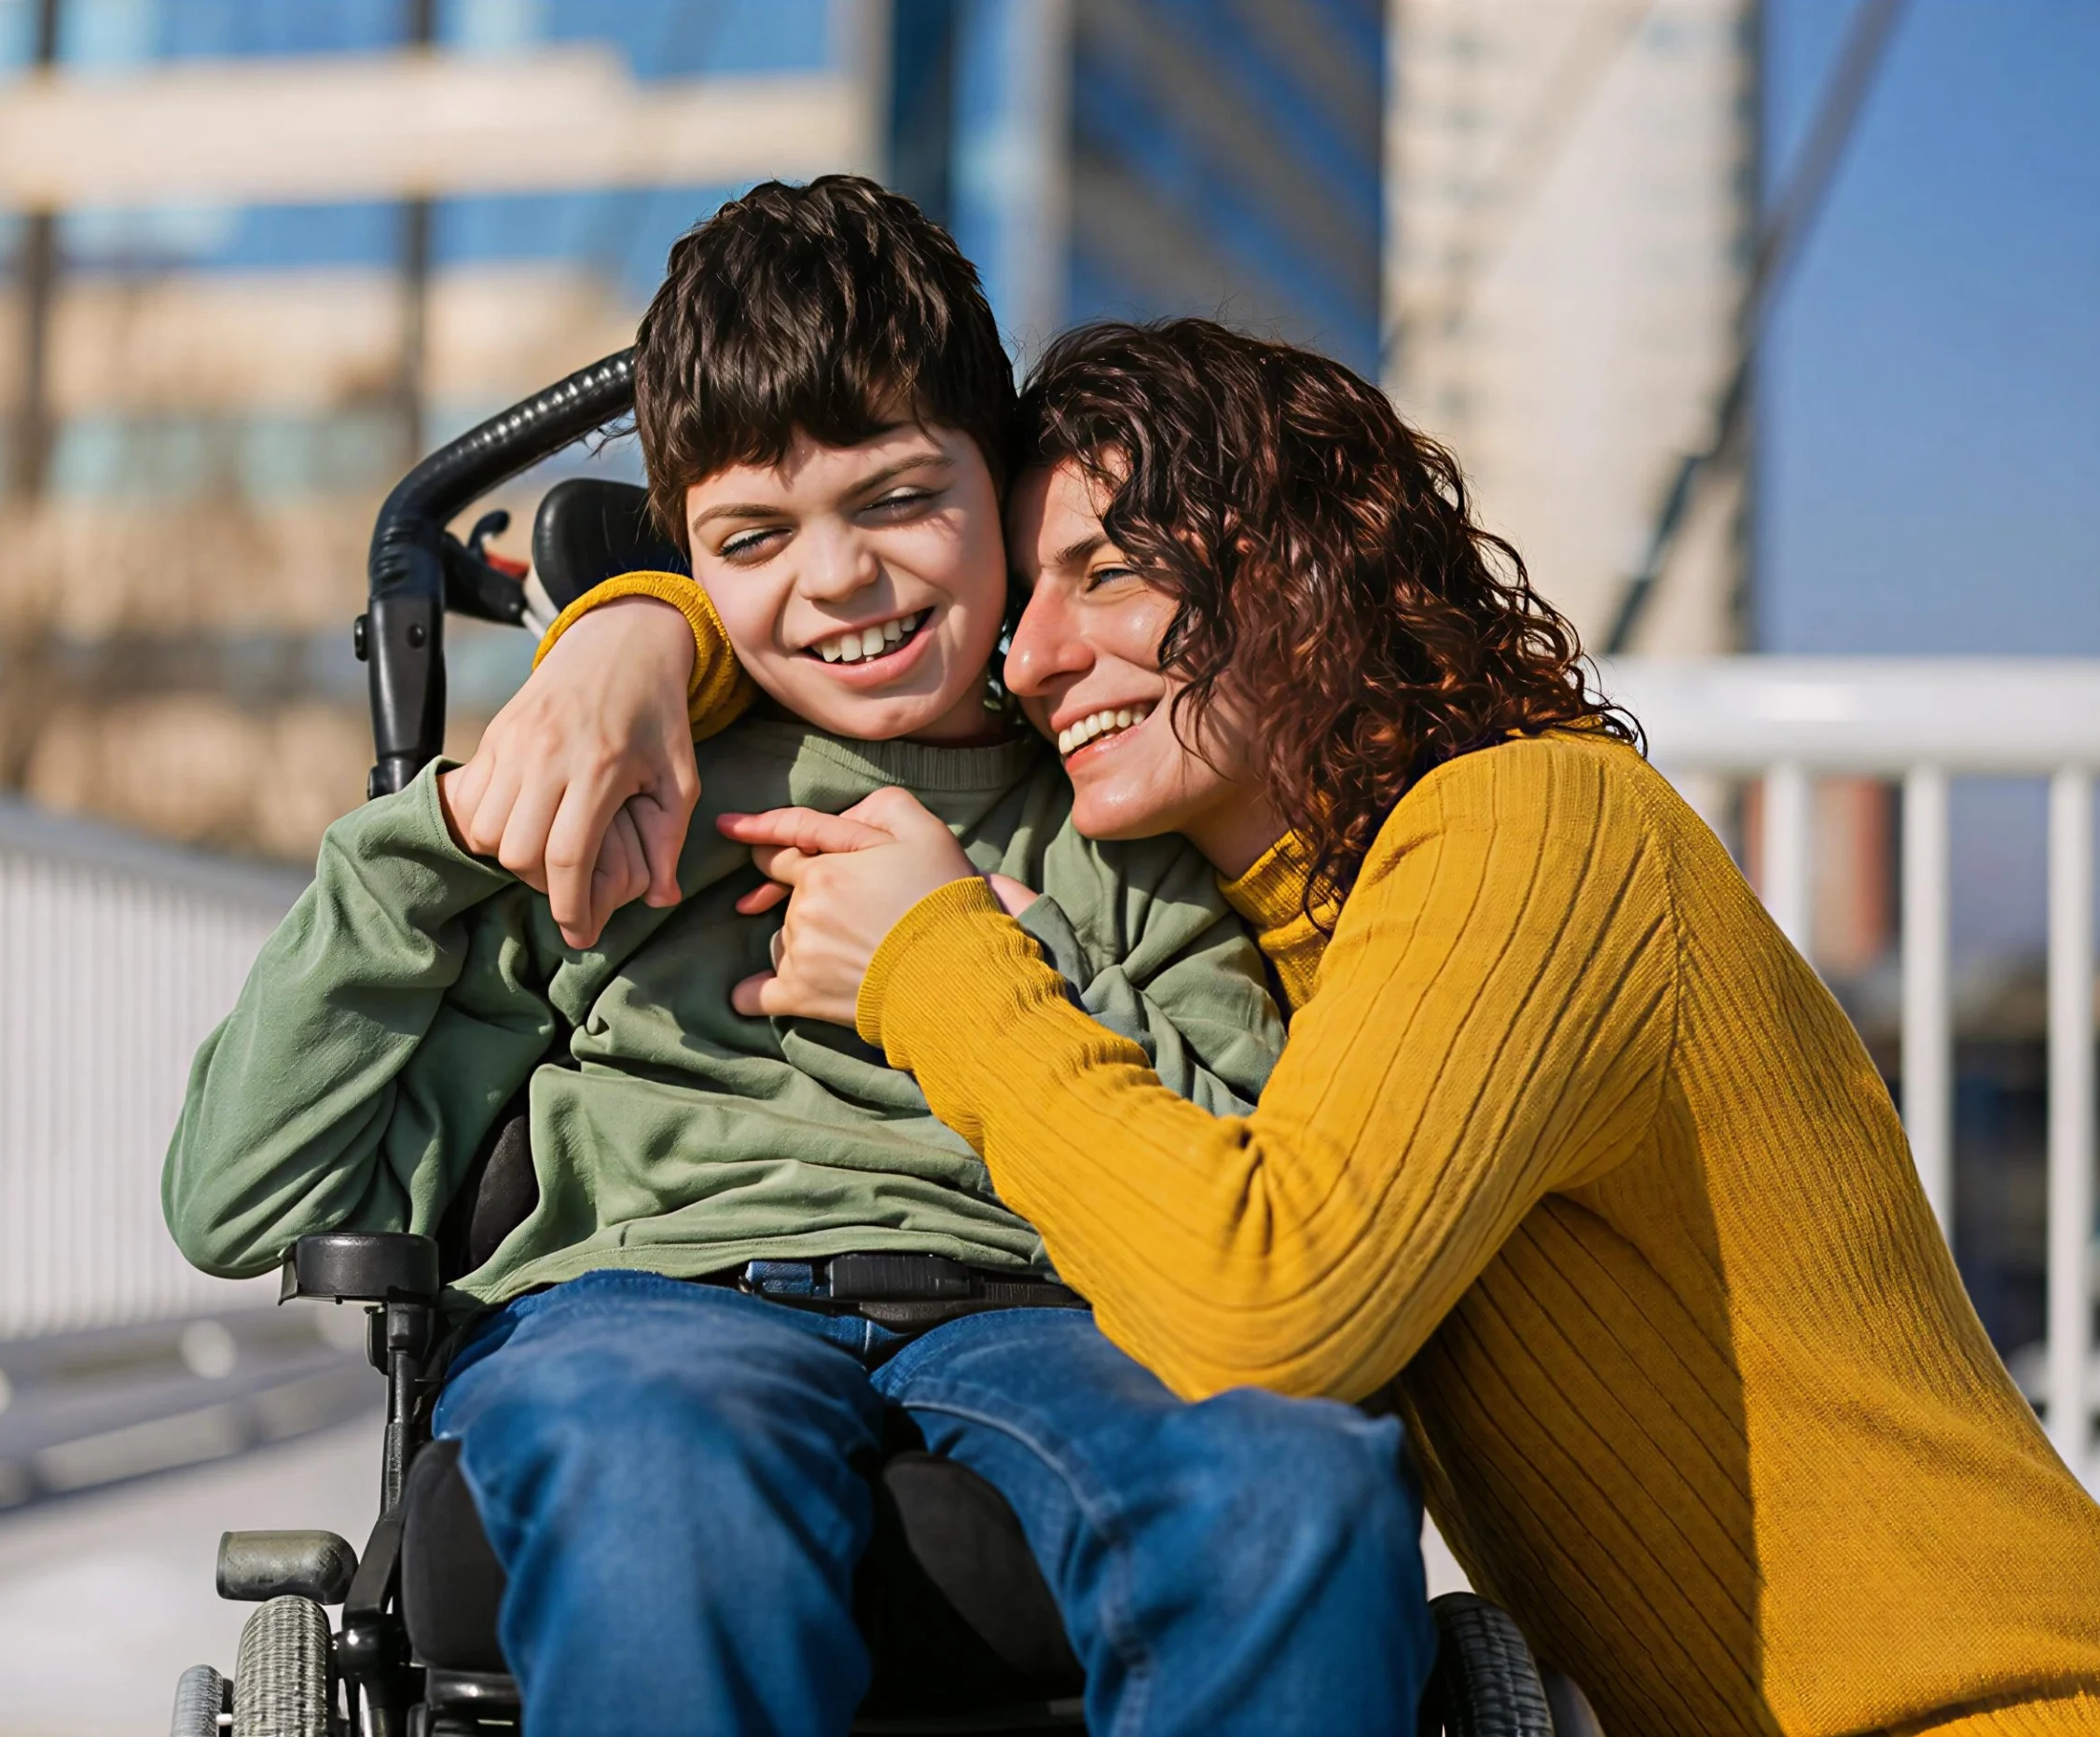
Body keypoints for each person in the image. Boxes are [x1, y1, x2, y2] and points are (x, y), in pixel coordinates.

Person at [514, 320, 2100, 1733]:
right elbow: (843, 630)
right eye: (1023, 596)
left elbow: (1273, 1298)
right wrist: (636, 632)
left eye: (1104, 574)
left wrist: (938, 961)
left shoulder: (1533, 835)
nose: (1029, 658)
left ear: (1299, 569)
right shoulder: (1275, 937)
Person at [163, 196, 1434, 1737]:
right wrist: (439, 827)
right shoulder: (625, 793)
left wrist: (1009, 973)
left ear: (1001, 486)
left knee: (1289, 1485)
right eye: (753, 539)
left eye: (897, 499)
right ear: (688, 552)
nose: (834, 580)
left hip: (1047, 1310)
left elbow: (1254, 1162)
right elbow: (236, 1200)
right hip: (650, 1297)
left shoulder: (1115, 811)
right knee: (657, 1479)